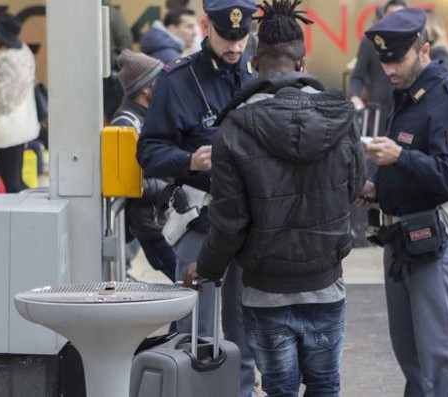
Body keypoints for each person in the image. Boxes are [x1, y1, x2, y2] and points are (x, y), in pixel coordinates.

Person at [183, 1, 364, 395]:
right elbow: (354, 188)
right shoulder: (341, 117)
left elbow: (229, 221)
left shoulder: (234, 127)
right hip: (326, 284)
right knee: (326, 385)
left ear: (253, 61)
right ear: (303, 62)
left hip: (266, 293)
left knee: (279, 389)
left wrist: (208, 268)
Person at [354, 8, 448, 396]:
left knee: (440, 356)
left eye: (398, 59)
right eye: (384, 60)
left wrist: (400, 157)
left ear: (424, 50)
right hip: (400, 237)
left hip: (435, 241)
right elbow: (409, 163)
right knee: (409, 354)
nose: (389, 69)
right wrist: (378, 186)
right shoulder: (407, 97)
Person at [136, 0, 259, 395]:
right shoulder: (178, 80)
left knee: (247, 335)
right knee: (194, 334)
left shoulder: (258, 76)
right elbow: (149, 151)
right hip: (200, 225)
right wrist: (189, 159)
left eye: (243, 37)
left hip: (250, 227)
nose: (236, 46)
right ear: (207, 26)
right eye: (227, 36)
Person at [108, 50, 179, 281]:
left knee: (191, 289)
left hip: (164, 219)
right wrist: (169, 184)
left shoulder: (150, 117)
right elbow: (128, 183)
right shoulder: (126, 124)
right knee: (191, 286)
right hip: (153, 226)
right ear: (145, 89)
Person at [0, 14, 40, 193]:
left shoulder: (4, 59)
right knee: (16, 178)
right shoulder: (24, 52)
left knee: (11, 182)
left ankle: (21, 217)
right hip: (21, 125)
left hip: (5, 129)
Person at [348, 0, 407, 132]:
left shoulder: (413, 43)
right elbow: (357, 76)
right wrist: (354, 96)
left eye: (400, 15)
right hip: (377, 114)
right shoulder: (370, 41)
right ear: (384, 17)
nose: (396, 20)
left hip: (405, 112)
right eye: (391, 15)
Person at [424, 8, 448, 79]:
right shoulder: (429, 50)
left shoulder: (440, 51)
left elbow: (442, 79)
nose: (422, 28)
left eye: (426, 24)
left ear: (434, 28)